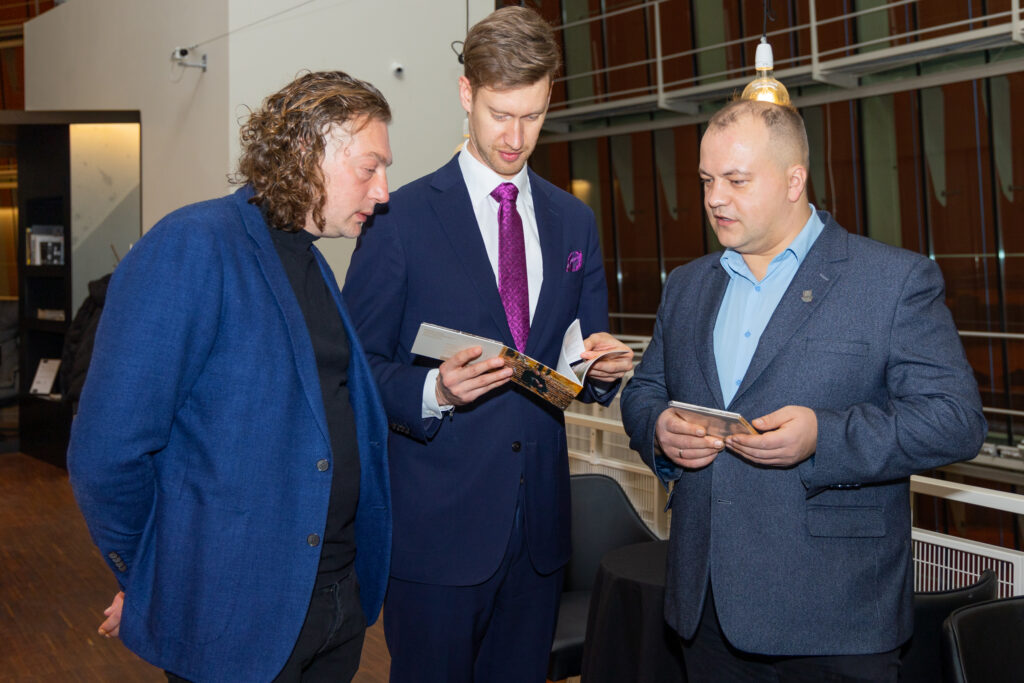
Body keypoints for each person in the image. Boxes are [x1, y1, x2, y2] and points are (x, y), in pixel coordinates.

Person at [619, 98, 987, 682]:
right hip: (706, 611)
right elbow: (645, 390)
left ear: (795, 181)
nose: (715, 198)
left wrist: (824, 436)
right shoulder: (687, 286)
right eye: (707, 180)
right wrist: (659, 429)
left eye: (736, 180)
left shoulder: (892, 281)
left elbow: (955, 420)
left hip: (835, 617)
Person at [67, 70, 393, 683]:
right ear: (308, 153)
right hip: (233, 619)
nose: (383, 191)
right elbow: (107, 452)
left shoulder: (314, 264)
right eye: (369, 168)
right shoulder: (192, 244)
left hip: (334, 604)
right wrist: (153, 577)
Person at [342, 7, 633, 682]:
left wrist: (602, 369)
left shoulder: (574, 221)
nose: (516, 136)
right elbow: (354, 372)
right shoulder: (398, 220)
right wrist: (434, 390)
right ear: (466, 92)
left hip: (539, 540)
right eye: (501, 114)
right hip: (435, 539)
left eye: (533, 115)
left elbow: (578, 357)